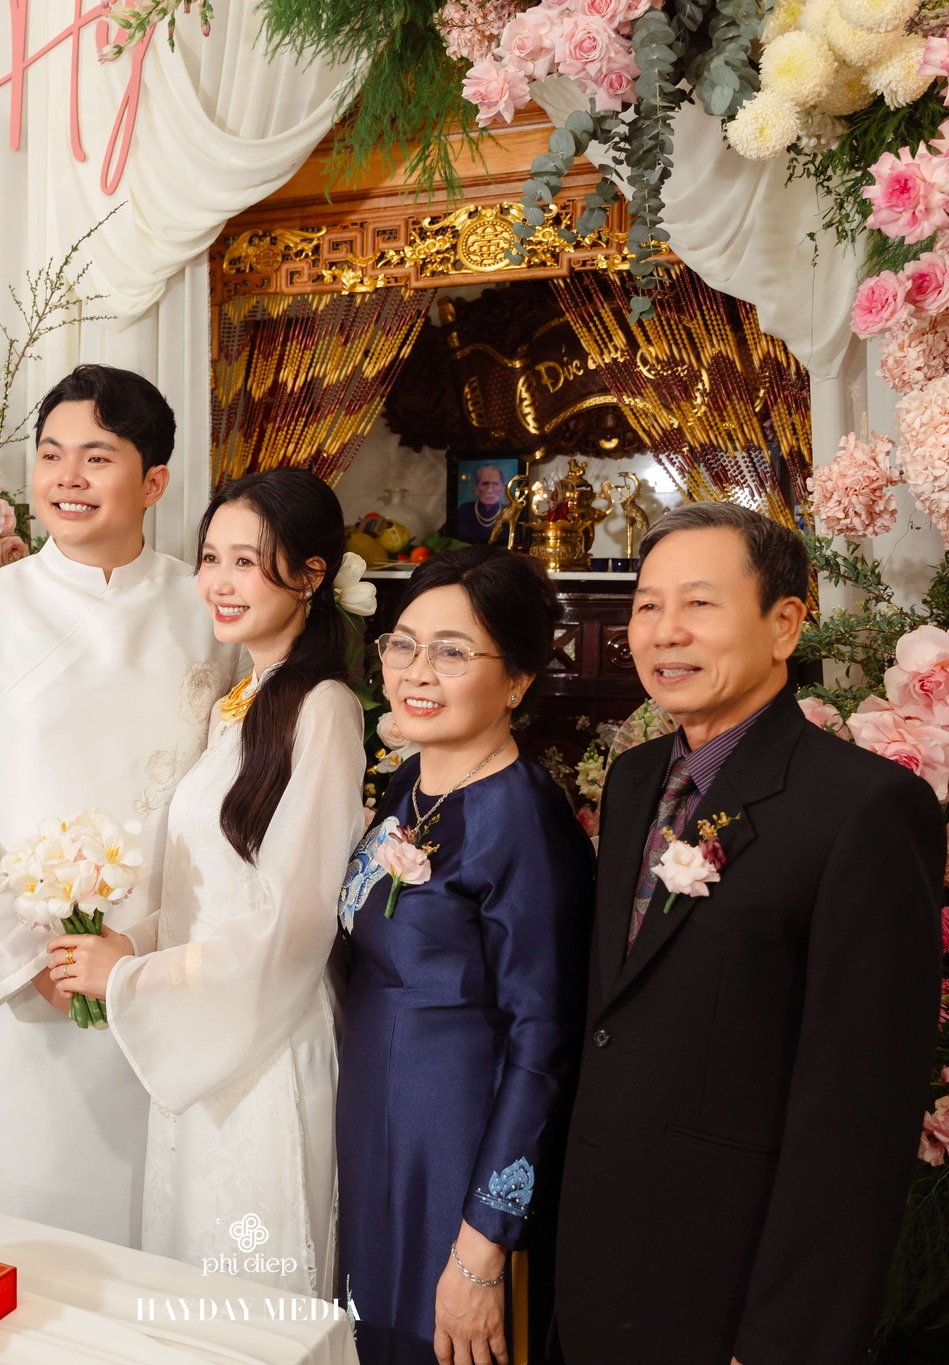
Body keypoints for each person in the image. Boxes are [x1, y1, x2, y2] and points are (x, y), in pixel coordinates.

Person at [550, 502, 943, 1365]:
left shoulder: (864, 809)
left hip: (725, 1291)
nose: (665, 631)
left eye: (699, 603)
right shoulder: (636, 779)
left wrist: (784, 1343)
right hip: (595, 1268)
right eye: (647, 605)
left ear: (784, 624)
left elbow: (859, 1117)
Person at [0, 364, 241, 1246]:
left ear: (154, 482)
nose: (67, 477)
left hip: (169, 974)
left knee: (165, 1234)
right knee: (33, 1242)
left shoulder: (209, 611)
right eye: (51, 454)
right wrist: (26, 961)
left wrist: (153, 945)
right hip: (27, 992)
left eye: (97, 456)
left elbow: (234, 796)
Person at [46, 468, 365, 1296]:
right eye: (211, 558)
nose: (220, 582)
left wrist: (132, 975)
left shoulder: (322, 707)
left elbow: (293, 922)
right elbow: (212, 885)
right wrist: (134, 939)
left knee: (251, 1279)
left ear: (310, 574)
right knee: (193, 1274)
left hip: (260, 1037)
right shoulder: (243, 699)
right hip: (208, 1028)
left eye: (247, 562)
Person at [337, 546, 594, 1365]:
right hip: (374, 1129)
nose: (418, 671)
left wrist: (484, 1238)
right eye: (404, 644)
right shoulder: (410, 783)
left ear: (516, 679)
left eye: (452, 652)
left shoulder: (523, 821)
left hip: (454, 1151)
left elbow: (543, 1044)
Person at [453, 463, 508, 545]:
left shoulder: (509, 512)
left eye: (495, 484)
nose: (489, 490)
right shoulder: (465, 510)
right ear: (476, 487)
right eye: (485, 484)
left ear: (502, 488)